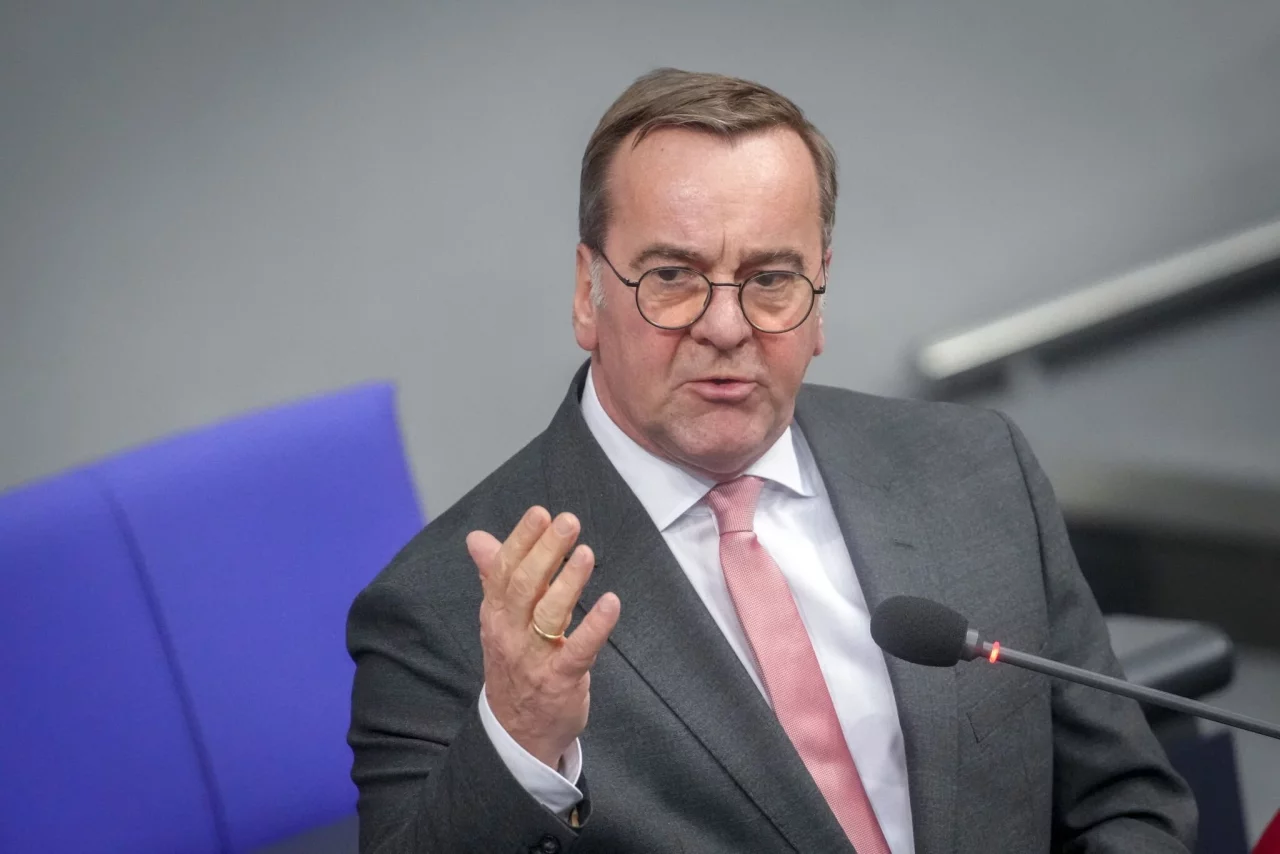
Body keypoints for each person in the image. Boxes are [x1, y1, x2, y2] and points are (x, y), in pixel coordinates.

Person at [347, 68, 1196, 853]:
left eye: (771, 279)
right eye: (672, 275)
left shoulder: (975, 472)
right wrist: (523, 740)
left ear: (819, 293)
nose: (726, 327)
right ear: (587, 293)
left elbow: (1126, 803)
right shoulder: (444, 613)